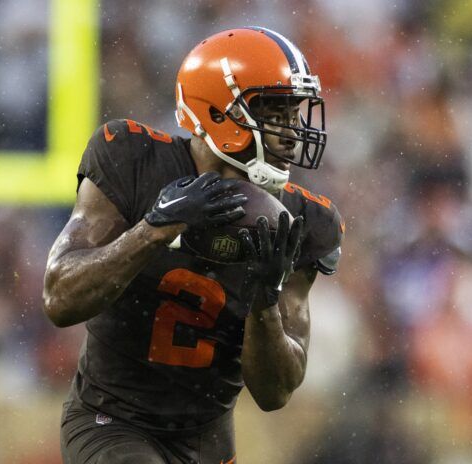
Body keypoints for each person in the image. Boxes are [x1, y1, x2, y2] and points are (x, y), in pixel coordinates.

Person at [43, 27, 343, 464]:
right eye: (275, 113)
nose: (292, 132)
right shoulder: (133, 158)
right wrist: (154, 229)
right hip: (111, 419)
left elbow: (275, 391)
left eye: (293, 114)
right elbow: (59, 298)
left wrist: (265, 299)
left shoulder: (305, 221)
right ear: (219, 113)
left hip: (206, 439)